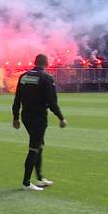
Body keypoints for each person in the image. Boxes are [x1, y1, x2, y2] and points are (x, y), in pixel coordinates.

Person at [12, 54, 67, 191]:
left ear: (35, 62)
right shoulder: (47, 78)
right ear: (46, 63)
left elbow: (17, 98)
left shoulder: (24, 76)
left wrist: (15, 117)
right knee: (34, 148)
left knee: (39, 145)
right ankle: (26, 183)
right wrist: (61, 118)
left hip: (26, 116)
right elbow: (52, 102)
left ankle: (40, 178)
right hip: (39, 117)